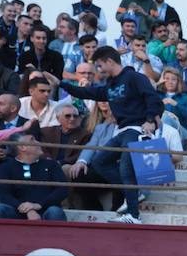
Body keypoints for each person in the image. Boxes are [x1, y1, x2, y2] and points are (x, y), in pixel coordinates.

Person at [59, 46, 163, 224]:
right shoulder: (110, 85)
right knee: (99, 161)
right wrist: (60, 83)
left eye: (99, 66)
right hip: (122, 131)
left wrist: (150, 120)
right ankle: (135, 193)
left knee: (125, 168)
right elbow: (86, 92)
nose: (99, 70)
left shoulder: (135, 77)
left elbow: (153, 98)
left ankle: (133, 215)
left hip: (137, 129)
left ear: (109, 61)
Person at [0, 130, 68, 221]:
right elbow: (4, 194)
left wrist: (38, 205)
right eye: (32, 140)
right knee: (0, 209)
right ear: (22, 147)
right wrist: (27, 210)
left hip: (45, 209)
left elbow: (62, 190)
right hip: (17, 210)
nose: (38, 142)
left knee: (55, 212)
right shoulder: (6, 167)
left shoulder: (51, 164)